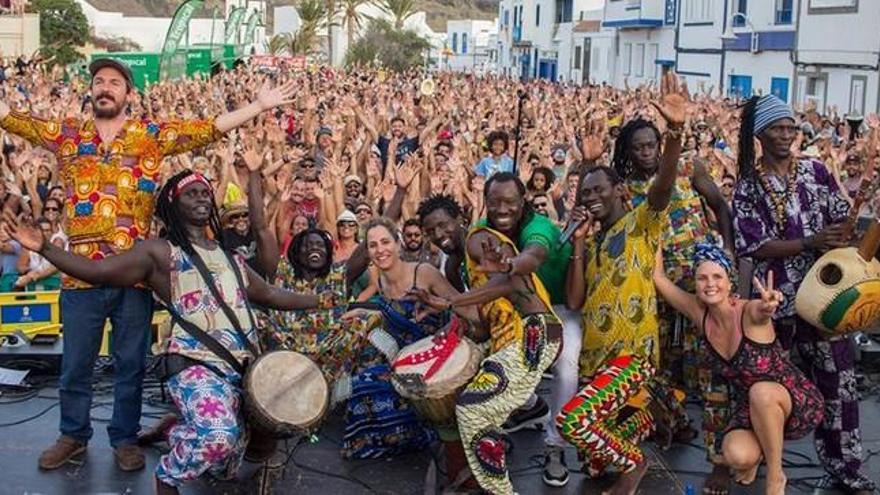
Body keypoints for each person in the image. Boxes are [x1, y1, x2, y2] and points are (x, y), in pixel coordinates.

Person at [0, 57, 300, 472]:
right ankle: (72, 435)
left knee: (129, 365)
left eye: (114, 83)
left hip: (134, 276)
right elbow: (13, 119)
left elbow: (207, 129)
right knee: (76, 365)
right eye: (99, 81)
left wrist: (258, 105)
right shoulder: (67, 136)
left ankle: (124, 439)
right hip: (79, 274)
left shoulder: (149, 137)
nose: (105, 88)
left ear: (128, 95)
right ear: (92, 91)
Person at [3, 170, 328, 494]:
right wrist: (45, 247)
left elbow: (269, 294)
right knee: (217, 437)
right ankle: (168, 476)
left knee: (247, 452)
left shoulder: (230, 258)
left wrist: (319, 301)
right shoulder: (159, 253)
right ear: (173, 204)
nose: (201, 197)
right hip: (193, 364)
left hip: (239, 367)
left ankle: (176, 429)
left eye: (205, 192)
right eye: (191, 193)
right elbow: (97, 271)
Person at [733, 94, 874, 494]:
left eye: (791, 128)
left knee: (840, 387)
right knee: (763, 388)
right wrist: (811, 241)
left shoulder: (815, 170)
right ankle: (755, 459)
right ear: (759, 134)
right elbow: (752, 245)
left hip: (825, 297)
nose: (786, 135)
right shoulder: (748, 185)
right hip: (775, 303)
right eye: (777, 128)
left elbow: (838, 221)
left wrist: (846, 233)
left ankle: (845, 468)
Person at [556, 71, 686, 495]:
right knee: (593, 465)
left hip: (632, 356)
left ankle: (635, 465)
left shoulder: (640, 225)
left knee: (574, 421)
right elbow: (574, 301)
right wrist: (577, 246)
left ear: (619, 192)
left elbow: (664, 187)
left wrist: (675, 133)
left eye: (598, 190)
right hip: (598, 362)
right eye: (584, 193)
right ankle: (652, 415)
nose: (590, 197)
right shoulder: (590, 245)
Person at [614, 115, 734, 491]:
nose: (647, 151)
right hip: (657, 286)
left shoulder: (688, 165)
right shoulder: (626, 187)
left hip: (702, 285)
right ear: (629, 152)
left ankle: (718, 460)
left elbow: (719, 204)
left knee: (711, 369)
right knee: (656, 364)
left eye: (652, 143)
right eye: (639, 147)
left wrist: (727, 248)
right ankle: (676, 422)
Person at [653, 243, 824, 495]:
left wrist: (768, 304)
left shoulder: (747, 311)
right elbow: (659, 277)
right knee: (734, 455)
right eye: (702, 278)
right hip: (750, 407)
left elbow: (762, 311)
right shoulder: (699, 313)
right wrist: (652, 231)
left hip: (792, 400)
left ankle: (776, 476)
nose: (710, 284)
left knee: (761, 392)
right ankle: (755, 457)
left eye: (717, 277)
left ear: (730, 282)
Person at [417, 194, 469, 292]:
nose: (438, 235)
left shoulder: (479, 242)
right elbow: (463, 303)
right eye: (430, 231)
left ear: (459, 219)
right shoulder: (451, 267)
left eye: (443, 225)